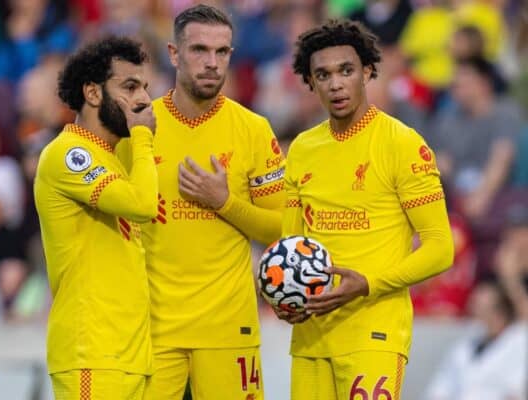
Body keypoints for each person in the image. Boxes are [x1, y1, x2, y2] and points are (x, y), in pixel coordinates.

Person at [279, 19, 454, 399]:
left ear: (368, 72)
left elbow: (441, 247)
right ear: (310, 83)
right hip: (311, 338)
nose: (336, 83)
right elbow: (291, 245)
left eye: (346, 70)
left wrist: (369, 285)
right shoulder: (303, 149)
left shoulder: (403, 145)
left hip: (374, 332)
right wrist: (284, 296)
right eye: (322, 75)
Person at [138, 4, 285, 400]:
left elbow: (282, 227)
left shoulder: (253, 130)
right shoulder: (137, 128)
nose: (211, 63)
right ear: (173, 54)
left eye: (222, 52)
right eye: (199, 50)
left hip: (227, 327)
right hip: (153, 325)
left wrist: (224, 202)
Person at [34, 36, 158, 399]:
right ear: (92, 93)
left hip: (129, 355)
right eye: (130, 86)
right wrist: (143, 138)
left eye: (145, 87)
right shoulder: (68, 153)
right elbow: (143, 205)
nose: (143, 99)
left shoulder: (115, 158)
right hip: (93, 355)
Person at [423, 281, 527, 400]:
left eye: (486, 309)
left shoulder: (520, 342)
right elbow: (440, 388)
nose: (480, 315)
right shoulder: (465, 345)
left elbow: (516, 392)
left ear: (502, 313)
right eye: (476, 308)